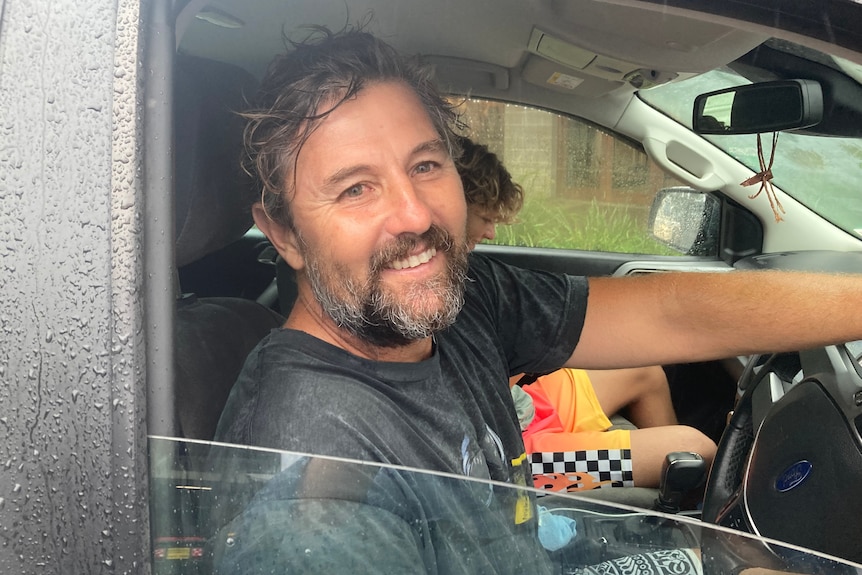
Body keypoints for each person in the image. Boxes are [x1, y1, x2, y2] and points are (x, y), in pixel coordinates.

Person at [211, 27, 862, 573]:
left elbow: (671, 311)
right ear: (284, 233)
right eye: (355, 188)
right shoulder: (309, 499)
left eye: (426, 164)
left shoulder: (463, 300)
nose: (413, 215)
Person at [457, 136, 716, 490]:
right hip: (514, 453)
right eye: (484, 218)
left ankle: (664, 491)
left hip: (530, 400)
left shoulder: (466, 274)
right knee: (695, 448)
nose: (491, 232)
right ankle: (669, 505)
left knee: (645, 371)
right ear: (450, 206)